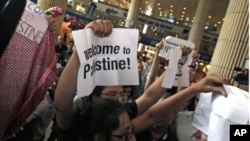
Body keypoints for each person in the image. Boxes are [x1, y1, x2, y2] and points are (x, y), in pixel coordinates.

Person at [54, 19, 230, 140]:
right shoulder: (81, 126)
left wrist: (185, 76)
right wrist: (82, 47)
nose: (132, 139)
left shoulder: (121, 116)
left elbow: (150, 105)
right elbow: (62, 105)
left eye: (131, 131)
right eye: (123, 136)